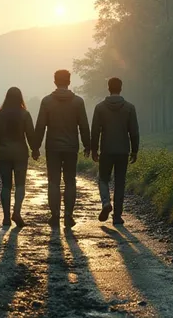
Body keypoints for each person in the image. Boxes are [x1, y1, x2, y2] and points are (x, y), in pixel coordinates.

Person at [34, 69, 91, 228]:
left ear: (55, 82)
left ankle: (55, 216)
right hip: (71, 147)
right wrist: (88, 145)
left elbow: (40, 126)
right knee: (70, 181)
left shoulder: (47, 101)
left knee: (53, 182)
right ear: (69, 81)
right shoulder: (78, 102)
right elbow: (84, 126)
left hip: (52, 147)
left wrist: (35, 147)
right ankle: (68, 216)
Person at [91, 77, 139, 225]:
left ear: (108, 88)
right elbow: (134, 131)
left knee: (103, 179)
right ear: (121, 88)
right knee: (120, 183)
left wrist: (94, 149)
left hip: (106, 150)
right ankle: (117, 216)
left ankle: (106, 202)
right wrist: (134, 150)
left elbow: (95, 131)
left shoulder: (100, 108)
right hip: (123, 150)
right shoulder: (129, 108)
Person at [0, 87, 36, 228]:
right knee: (20, 184)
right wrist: (35, 149)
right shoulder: (25, 114)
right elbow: (31, 134)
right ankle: (16, 212)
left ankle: (5, 218)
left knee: (5, 185)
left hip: (4, 152)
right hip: (20, 153)